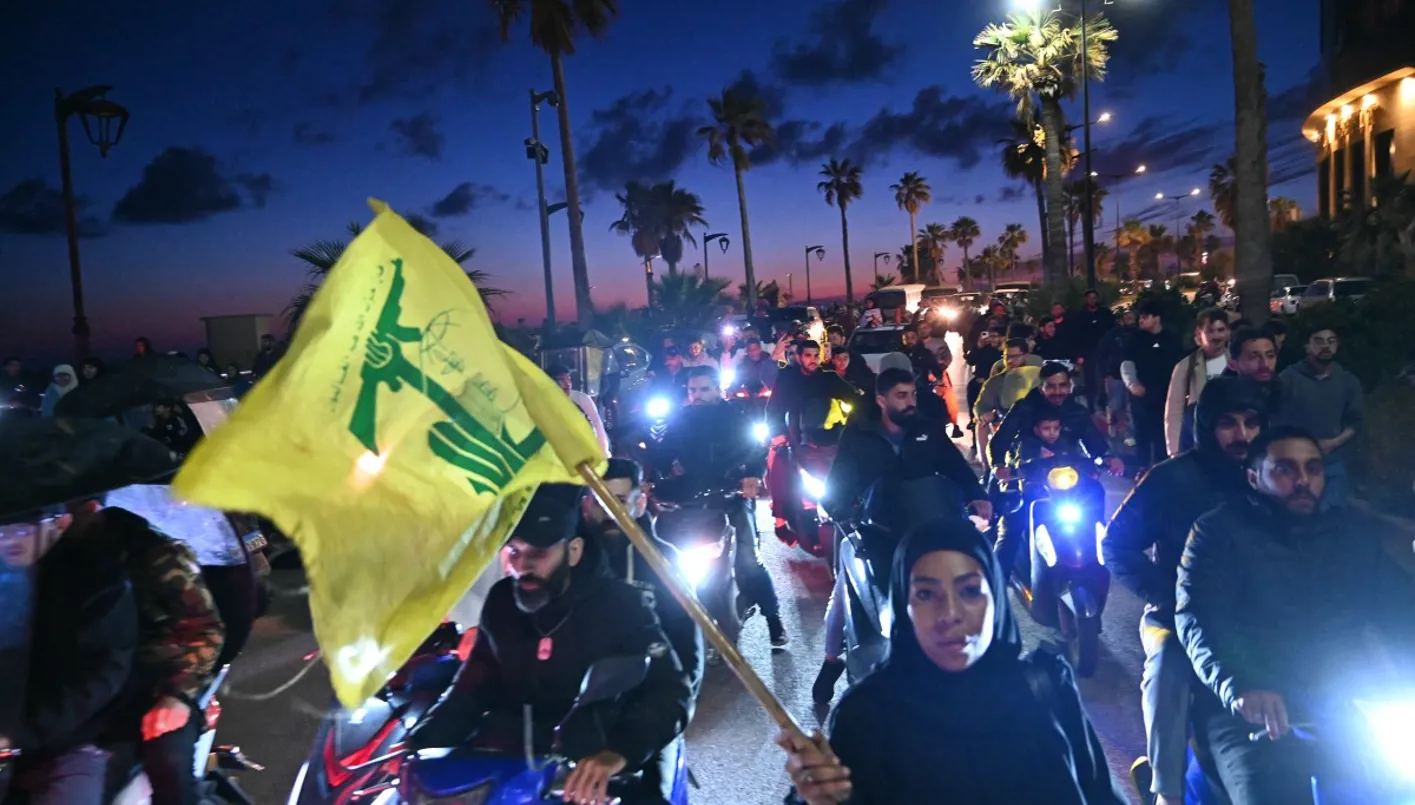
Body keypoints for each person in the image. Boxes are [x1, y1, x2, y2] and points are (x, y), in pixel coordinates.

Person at [779, 519, 1127, 805]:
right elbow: (837, 795)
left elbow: (1100, 794)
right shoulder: (867, 717)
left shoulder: (1046, 689)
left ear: (995, 599)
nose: (949, 614)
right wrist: (817, 796)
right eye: (926, 594)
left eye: (970, 591)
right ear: (904, 607)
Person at [409, 484, 691, 805]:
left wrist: (618, 753)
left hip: (589, 762)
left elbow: (670, 690)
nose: (523, 566)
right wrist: (420, 743)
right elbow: (473, 684)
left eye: (539, 553)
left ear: (574, 551)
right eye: (514, 552)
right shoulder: (502, 601)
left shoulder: (619, 604)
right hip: (511, 767)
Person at [1176, 427, 1415, 805]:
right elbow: (1201, 618)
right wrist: (1241, 684)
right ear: (1254, 478)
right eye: (1285, 469)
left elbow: (1400, 607)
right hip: (1253, 712)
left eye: (1313, 468)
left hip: (1342, 699)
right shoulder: (1217, 533)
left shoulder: (1351, 534)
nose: (1303, 480)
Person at [1103, 376, 1267, 805]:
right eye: (1228, 423)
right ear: (1207, 425)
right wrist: (1171, 596)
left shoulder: (1272, 476)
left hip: (1260, 616)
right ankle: (1167, 789)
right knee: (1168, 668)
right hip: (1176, 616)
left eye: (1252, 422)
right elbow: (1116, 544)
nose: (1242, 435)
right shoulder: (1171, 479)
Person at [814, 368, 992, 703]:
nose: (910, 402)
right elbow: (840, 478)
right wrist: (834, 505)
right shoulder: (858, 435)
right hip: (875, 531)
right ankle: (831, 659)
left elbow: (954, 465)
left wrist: (976, 493)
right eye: (901, 396)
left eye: (912, 394)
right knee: (846, 589)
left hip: (926, 529)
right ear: (881, 400)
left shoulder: (926, 430)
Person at [69, 502, 226, 805]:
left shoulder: (155, 555)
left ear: (90, 506)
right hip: (94, 681)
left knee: (168, 761)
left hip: (161, 680)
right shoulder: (51, 556)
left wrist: (176, 695)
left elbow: (206, 629)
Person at [5, 509, 139, 805]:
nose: (10, 539)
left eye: (23, 528)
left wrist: (17, 734)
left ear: (61, 523)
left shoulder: (98, 579)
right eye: (3, 530)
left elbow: (97, 676)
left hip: (69, 741)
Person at [655, 367, 786, 647]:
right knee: (665, 559)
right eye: (692, 390)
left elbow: (756, 452)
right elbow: (662, 454)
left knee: (749, 560)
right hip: (692, 501)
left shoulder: (735, 417)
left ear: (717, 390)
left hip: (731, 498)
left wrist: (752, 476)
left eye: (704, 389)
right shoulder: (680, 419)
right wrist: (649, 476)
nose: (697, 395)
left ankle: (773, 618)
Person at [581, 458, 703, 695]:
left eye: (619, 501)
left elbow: (686, 635)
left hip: (648, 702)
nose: (608, 512)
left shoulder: (664, 560)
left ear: (639, 504)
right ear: (586, 506)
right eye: (599, 501)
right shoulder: (571, 560)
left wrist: (679, 700)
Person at [1273, 327, 1362, 509]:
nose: (1326, 346)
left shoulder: (1348, 381)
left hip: (1332, 462)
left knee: (1333, 515)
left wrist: (1334, 443)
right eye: (1319, 341)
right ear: (1307, 346)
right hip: (1295, 463)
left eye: (1331, 341)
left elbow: (1354, 421)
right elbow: (1274, 418)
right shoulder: (1288, 379)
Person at [1121, 301, 1182, 468]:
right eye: (1140, 317)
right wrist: (1132, 384)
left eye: (1145, 317)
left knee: (1163, 435)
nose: (1140, 320)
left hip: (1166, 396)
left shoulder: (1171, 337)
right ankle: (1142, 470)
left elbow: (1180, 362)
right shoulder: (1135, 339)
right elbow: (1126, 363)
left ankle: (1163, 469)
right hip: (1142, 397)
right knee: (1142, 435)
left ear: (1156, 318)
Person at [1163, 308, 1231, 458]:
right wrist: (1174, 450)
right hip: (1197, 441)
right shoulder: (1185, 366)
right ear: (1199, 333)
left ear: (1228, 332)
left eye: (1221, 330)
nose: (1216, 336)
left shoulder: (1237, 362)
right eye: (1210, 331)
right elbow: (1174, 409)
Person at [1071, 290, 1117, 412]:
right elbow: (1076, 336)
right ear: (1086, 299)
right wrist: (1079, 355)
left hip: (1104, 351)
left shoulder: (1105, 313)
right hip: (1087, 352)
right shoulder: (1080, 315)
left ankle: (1104, 404)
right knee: (1089, 379)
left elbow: (1112, 331)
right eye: (1090, 298)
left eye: (1094, 297)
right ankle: (1091, 406)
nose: (1092, 300)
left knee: (1104, 378)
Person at [550, 364, 611, 456]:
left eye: (569, 379)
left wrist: (604, 451)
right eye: (561, 380)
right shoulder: (546, 402)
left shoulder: (580, 398)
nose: (567, 384)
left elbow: (597, 423)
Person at [1097, 308, 1138, 439]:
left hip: (1133, 375)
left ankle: (1130, 433)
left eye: (1132, 318)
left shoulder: (1138, 334)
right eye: (1127, 318)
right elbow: (1102, 353)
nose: (1130, 321)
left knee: (1130, 405)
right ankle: (1112, 429)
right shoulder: (1112, 335)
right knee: (1115, 404)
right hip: (1115, 374)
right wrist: (1106, 372)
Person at [1225, 326, 1279, 411]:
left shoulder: (1291, 394)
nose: (1265, 364)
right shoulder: (1222, 403)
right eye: (1253, 357)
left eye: (1270, 356)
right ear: (1233, 365)